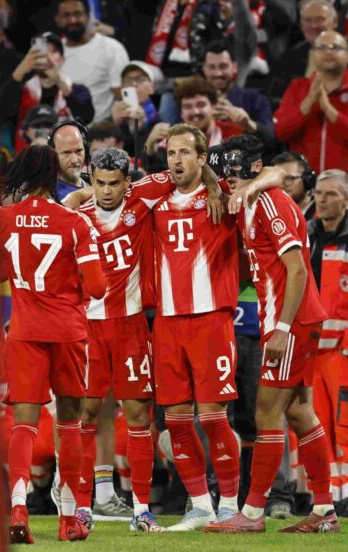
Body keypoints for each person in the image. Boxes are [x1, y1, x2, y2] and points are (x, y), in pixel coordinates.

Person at [150, 124, 283, 531]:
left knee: (212, 416)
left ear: (202, 157)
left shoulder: (223, 192)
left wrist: (247, 189)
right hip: (167, 321)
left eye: (184, 153)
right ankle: (199, 506)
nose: (176, 161)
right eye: (171, 153)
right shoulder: (152, 196)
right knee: (174, 420)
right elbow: (110, 192)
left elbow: (279, 174)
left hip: (211, 319)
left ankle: (228, 504)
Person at [204, 135, 339, 534]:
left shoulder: (270, 202)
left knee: (266, 413)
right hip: (285, 318)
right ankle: (325, 510)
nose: (228, 175)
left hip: (290, 320)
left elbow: (297, 269)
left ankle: (253, 513)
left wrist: (281, 329)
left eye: (235, 168)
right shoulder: (250, 200)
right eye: (223, 168)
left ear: (252, 166)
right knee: (300, 413)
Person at [74, 148, 206, 532]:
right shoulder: (77, 218)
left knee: (138, 417)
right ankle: (82, 507)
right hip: (88, 330)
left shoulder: (142, 199)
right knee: (85, 416)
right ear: (91, 180)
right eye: (99, 183)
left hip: (131, 326)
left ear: (127, 182)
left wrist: (214, 187)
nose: (107, 191)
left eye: (115, 183)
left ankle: (141, 510)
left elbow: (183, 172)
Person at [0, 144, 106, 543]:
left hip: (24, 331)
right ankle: (69, 519)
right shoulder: (75, 223)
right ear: (54, 174)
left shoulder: (3, 219)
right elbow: (96, 286)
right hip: (68, 332)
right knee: (70, 423)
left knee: (23, 424)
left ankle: (19, 507)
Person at [307, 170, 348, 516]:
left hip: (343, 350)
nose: (322, 199)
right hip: (312, 348)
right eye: (319, 193)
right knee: (318, 423)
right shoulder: (309, 236)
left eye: (330, 194)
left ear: (345, 199)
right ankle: (326, 497)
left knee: (344, 425)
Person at [274, 30, 348, 173]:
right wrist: (309, 101)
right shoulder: (298, 87)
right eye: (321, 48)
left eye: (335, 48)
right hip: (304, 184)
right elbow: (281, 132)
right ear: (313, 55)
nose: (328, 52)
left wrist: (328, 109)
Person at [11, 32, 94, 151]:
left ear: (62, 60)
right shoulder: (22, 90)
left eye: (53, 51)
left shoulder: (78, 90)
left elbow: (87, 116)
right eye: (41, 51)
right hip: (27, 159)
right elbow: (2, 110)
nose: (47, 56)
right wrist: (23, 67)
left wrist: (58, 81)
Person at [55, 0, 129, 122]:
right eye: (66, 15)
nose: (73, 20)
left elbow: (124, 96)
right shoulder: (53, 53)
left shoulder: (111, 48)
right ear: (57, 19)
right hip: (61, 133)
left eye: (77, 14)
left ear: (88, 16)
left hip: (102, 131)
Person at [271, 0, 339, 103]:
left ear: (335, 22)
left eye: (320, 19)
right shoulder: (290, 56)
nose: (313, 26)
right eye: (308, 20)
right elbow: (275, 96)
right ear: (302, 25)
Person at [110, 61, 159, 158]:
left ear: (151, 88)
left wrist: (142, 128)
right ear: (122, 89)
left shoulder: (161, 121)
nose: (134, 84)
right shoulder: (114, 116)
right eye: (128, 80)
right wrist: (114, 125)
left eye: (140, 79)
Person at [48, 119, 91, 202]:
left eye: (79, 151)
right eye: (66, 153)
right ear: (52, 154)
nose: (75, 160)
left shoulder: (96, 187)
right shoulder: (44, 194)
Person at [272, 152, 318, 221]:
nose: (280, 185)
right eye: (277, 179)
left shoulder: (323, 216)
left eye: (289, 178)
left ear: (307, 180)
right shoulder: (272, 214)